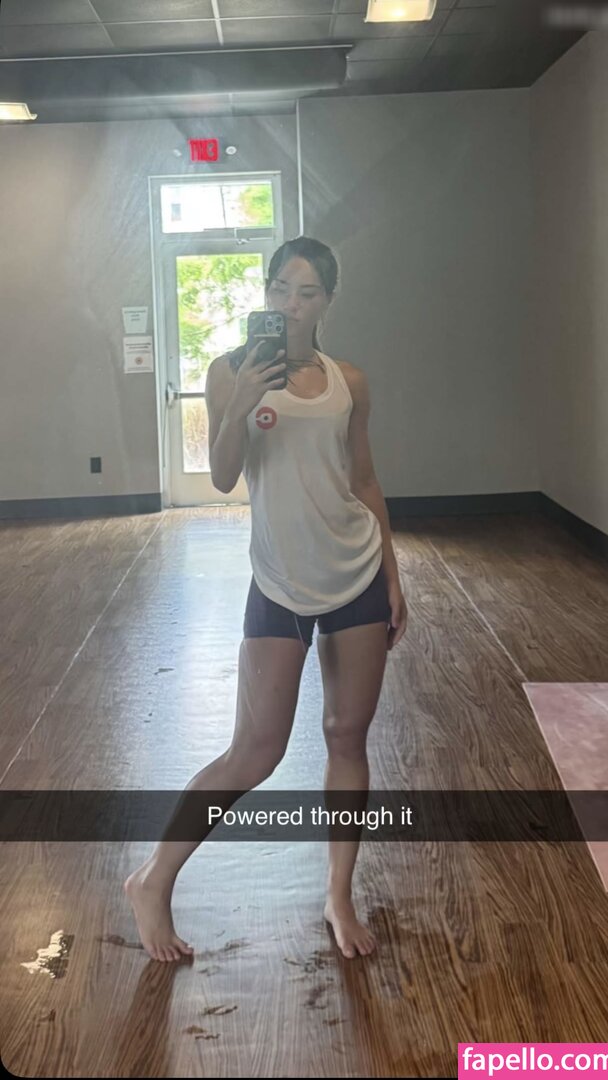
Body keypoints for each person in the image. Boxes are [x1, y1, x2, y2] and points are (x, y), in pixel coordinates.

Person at [124, 236, 408, 962]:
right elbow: (223, 476)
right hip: (279, 582)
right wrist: (240, 404)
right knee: (254, 751)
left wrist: (392, 572)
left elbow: (364, 479)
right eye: (280, 288)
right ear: (266, 292)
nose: (290, 304)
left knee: (347, 736)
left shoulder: (349, 381)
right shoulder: (230, 371)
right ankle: (153, 880)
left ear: (327, 301)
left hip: (355, 573)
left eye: (307, 293)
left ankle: (338, 895)